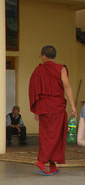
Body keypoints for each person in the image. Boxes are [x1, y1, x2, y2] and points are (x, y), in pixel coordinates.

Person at [29, 45, 77, 175]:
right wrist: (73, 106)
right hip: (57, 106)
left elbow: (35, 90)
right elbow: (67, 86)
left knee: (48, 136)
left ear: (44, 56)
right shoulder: (61, 68)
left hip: (45, 107)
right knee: (55, 136)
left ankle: (51, 163)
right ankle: (41, 161)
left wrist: (36, 110)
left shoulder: (39, 70)